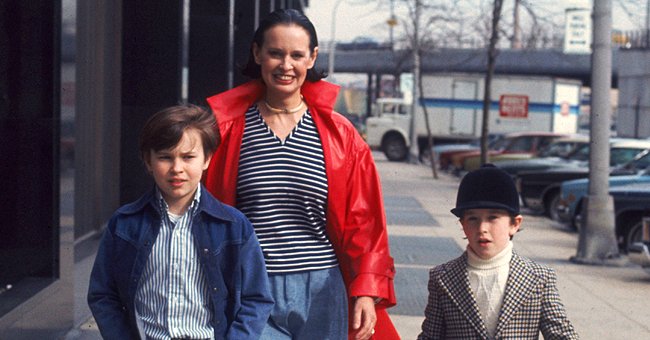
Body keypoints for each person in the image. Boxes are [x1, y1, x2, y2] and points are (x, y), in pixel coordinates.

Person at [203, 8, 398, 340]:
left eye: (296, 54)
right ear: (257, 54)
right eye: (275, 53)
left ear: (312, 57)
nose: (286, 65)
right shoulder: (224, 130)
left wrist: (366, 287)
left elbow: (364, 221)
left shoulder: (341, 136)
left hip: (323, 290)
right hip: (251, 288)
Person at [88, 104, 274, 339]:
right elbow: (102, 294)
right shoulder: (124, 223)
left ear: (206, 159)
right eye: (165, 157)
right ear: (148, 161)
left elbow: (256, 298)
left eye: (188, 157)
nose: (177, 169)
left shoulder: (233, 226)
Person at [418, 164, 579, 340]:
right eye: (473, 219)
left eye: (493, 218)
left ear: (514, 224)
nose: (482, 228)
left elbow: (561, 334)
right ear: (462, 225)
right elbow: (430, 336)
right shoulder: (442, 278)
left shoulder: (538, 278)